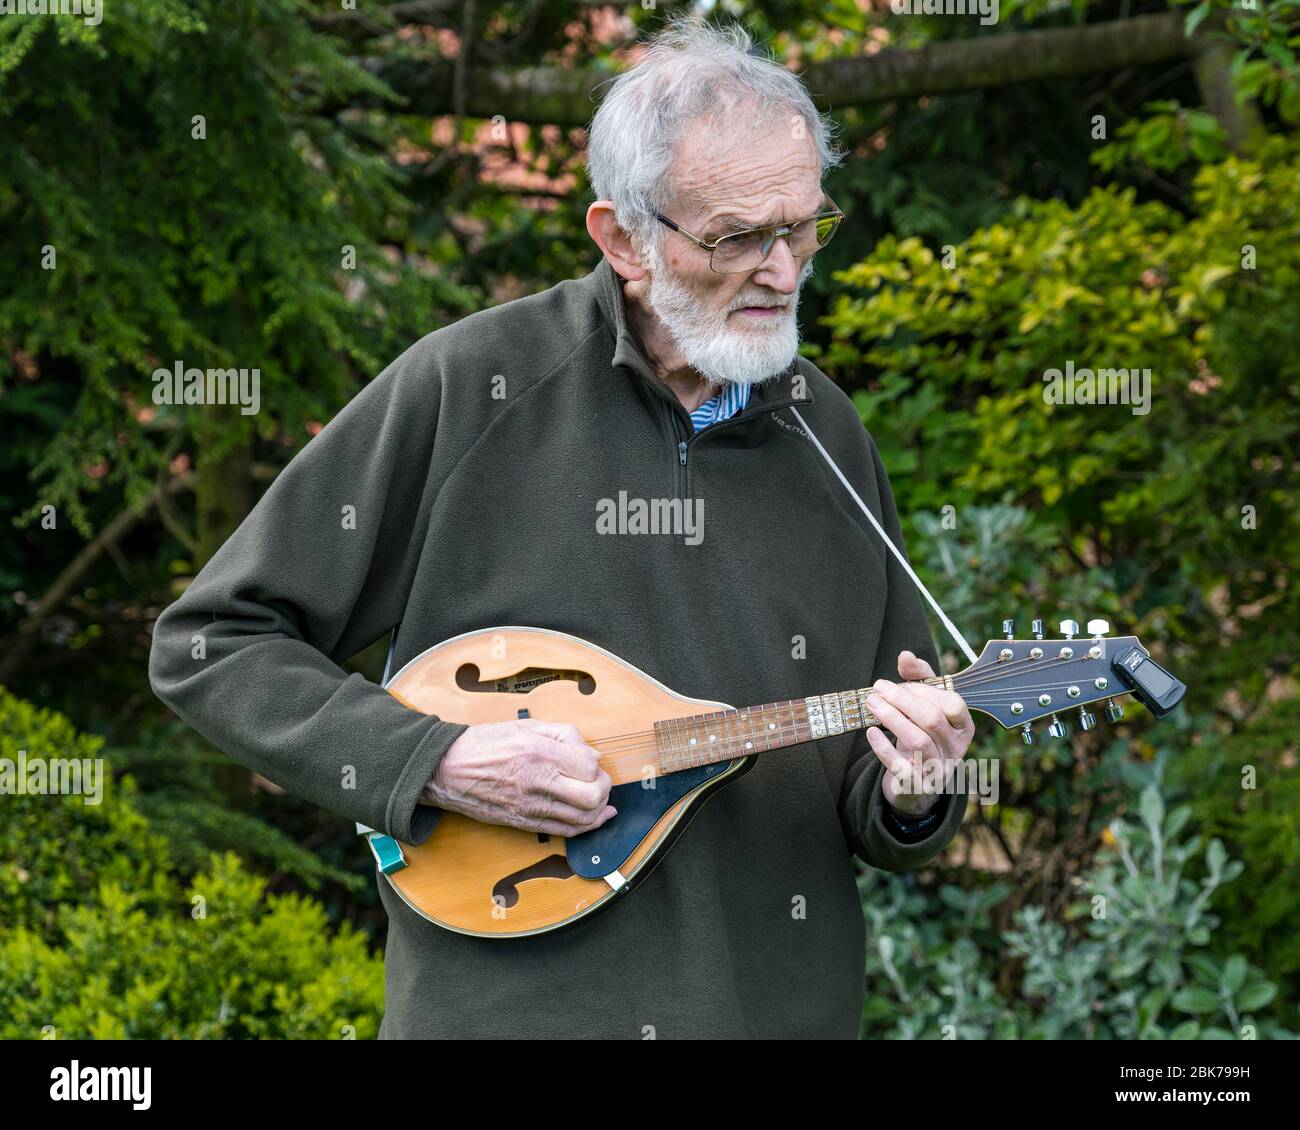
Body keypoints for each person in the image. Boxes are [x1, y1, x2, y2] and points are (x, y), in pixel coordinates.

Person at [149, 15, 975, 1039]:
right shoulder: (472, 387)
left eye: (802, 228)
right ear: (622, 237)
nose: (781, 269)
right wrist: (432, 759)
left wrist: (917, 786)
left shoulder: (828, 437)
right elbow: (213, 642)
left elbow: (872, 780)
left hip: (775, 1008)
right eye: (736, 235)